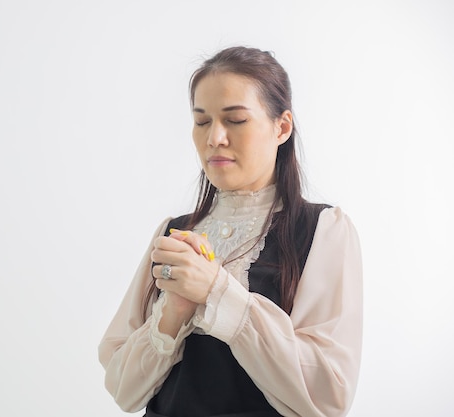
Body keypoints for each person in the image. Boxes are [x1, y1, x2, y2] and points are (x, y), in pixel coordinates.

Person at [98, 46, 363, 417]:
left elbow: (327, 397)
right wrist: (174, 311)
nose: (214, 138)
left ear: (281, 127)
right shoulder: (173, 232)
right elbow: (124, 391)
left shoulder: (323, 230)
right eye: (202, 121)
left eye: (235, 120)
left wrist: (217, 292)